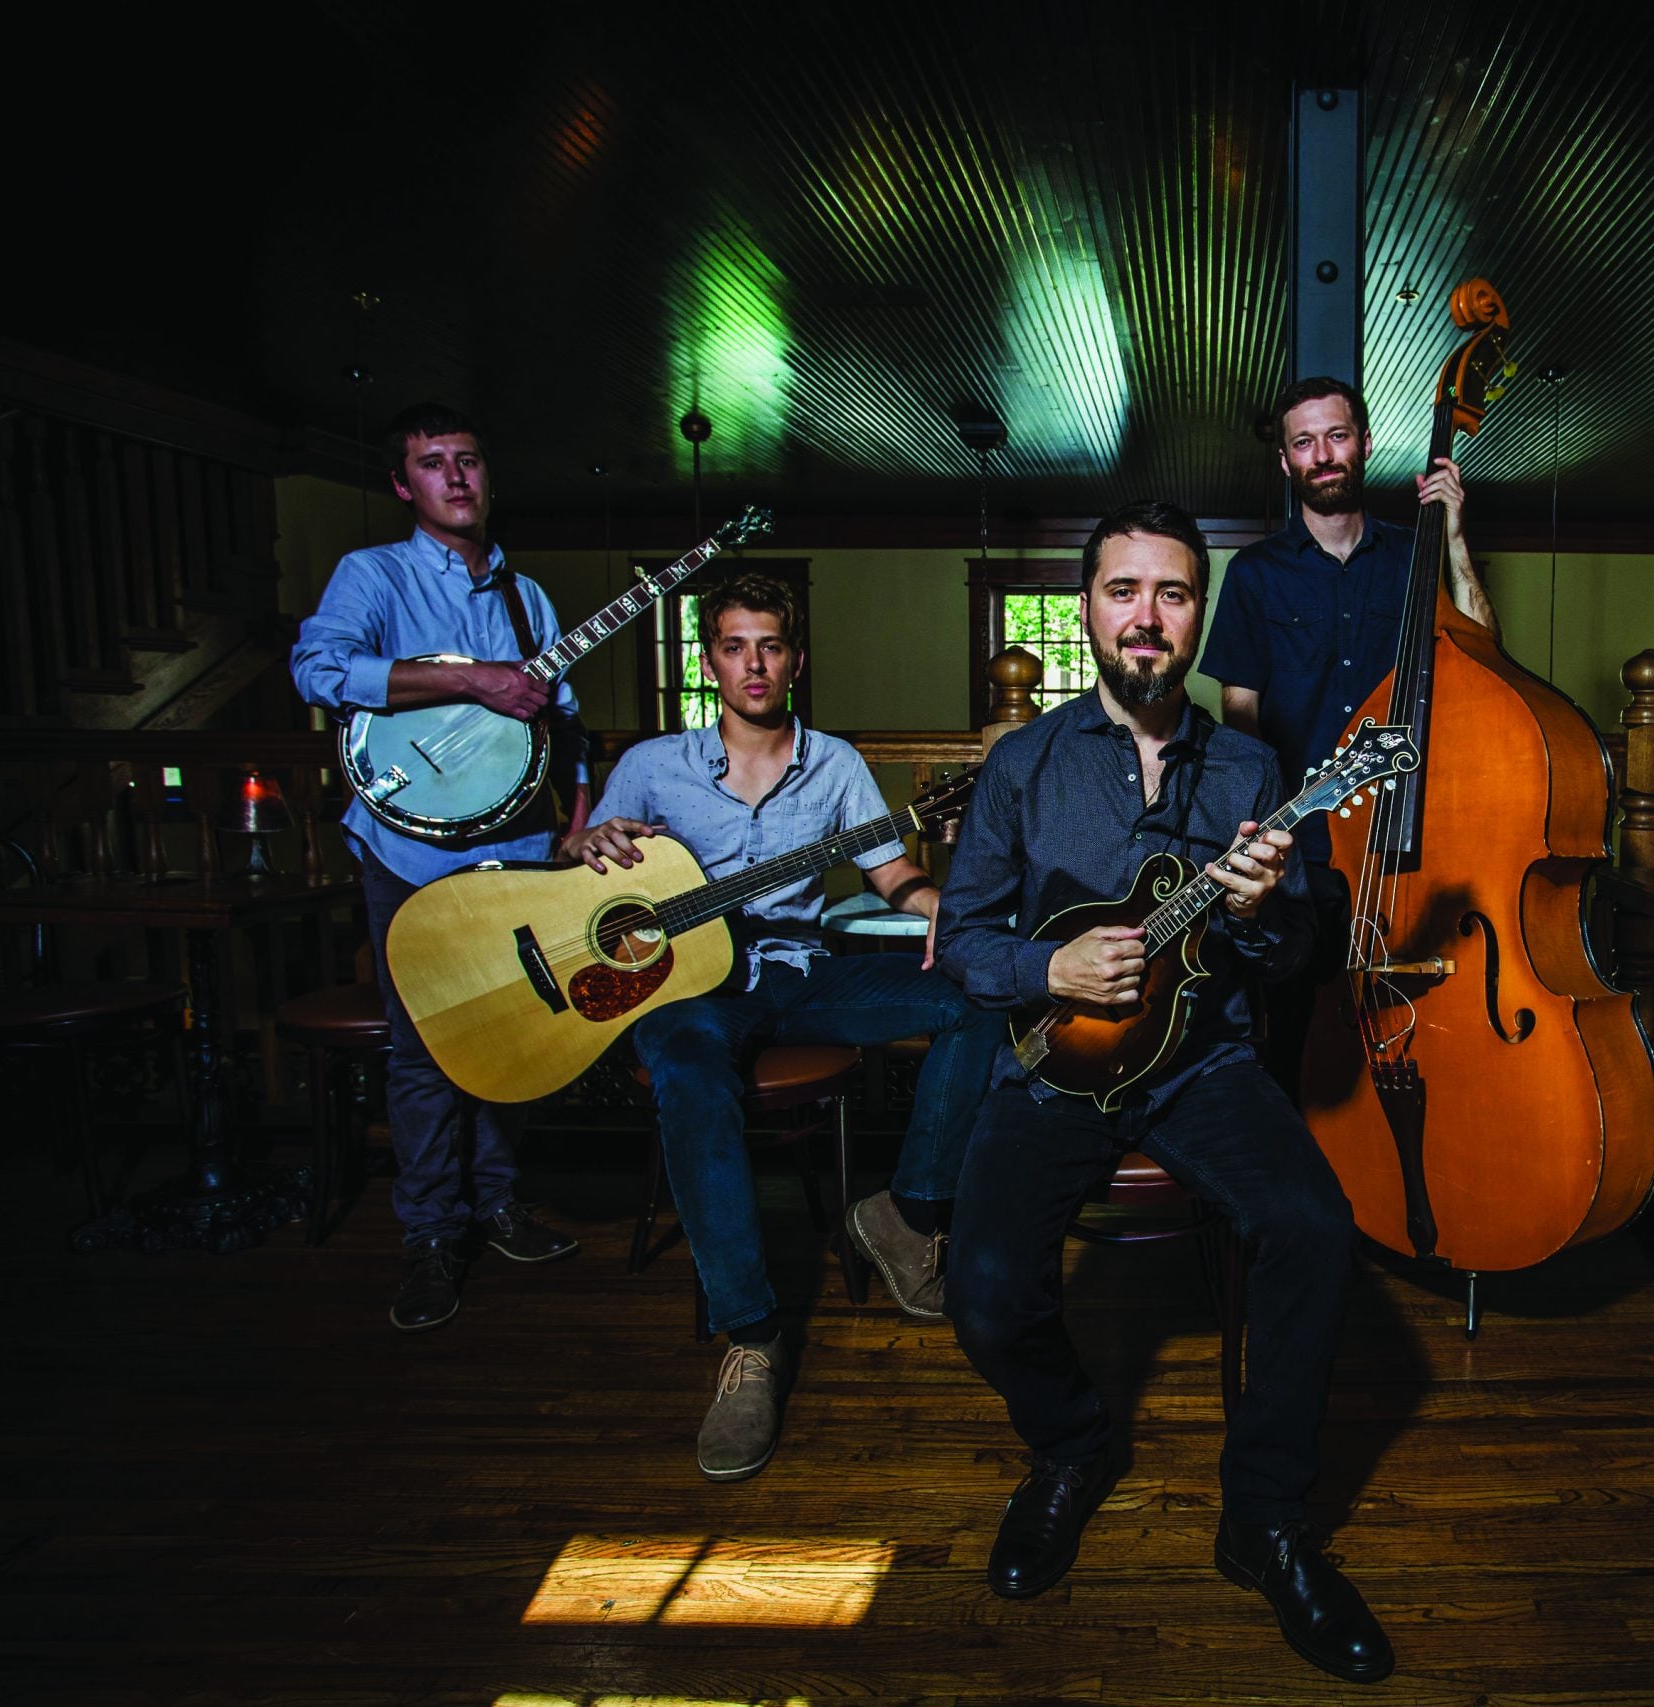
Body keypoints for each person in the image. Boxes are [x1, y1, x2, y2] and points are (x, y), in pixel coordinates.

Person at [933, 499, 1391, 1684]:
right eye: (1124, 590)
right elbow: (965, 941)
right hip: (1055, 1067)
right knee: (980, 1291)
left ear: (1196, 618)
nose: (1148, 615)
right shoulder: (1023, 764)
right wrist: (1050, 965)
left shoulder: (1251, 767)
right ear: (1088, 607)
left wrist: (1257, 913)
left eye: (1173, 593)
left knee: (1312, 1227)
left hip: (1202, 1065)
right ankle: (1075, 1452)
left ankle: (1267, 1523)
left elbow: (1297, 953)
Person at [562, 572, 1000, 1483]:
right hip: (689, 986)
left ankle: (903, 1212)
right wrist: (583, 847)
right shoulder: (651, 765)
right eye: (733, 645)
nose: (753, 663)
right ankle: (753, 1341)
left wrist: (937, 913)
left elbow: (889, 873)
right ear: (710, 660)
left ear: (794, 659)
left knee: (977, 1000)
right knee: (688, 1073)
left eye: (769, 645)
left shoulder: (834, 762)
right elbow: (590, 878)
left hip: (799, 971)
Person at [291, 402, 586, 1332]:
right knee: (423, 1052)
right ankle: (428, 1237)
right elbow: (319, 670)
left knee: (516, 1035)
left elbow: (561, 718)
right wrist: (468, 678)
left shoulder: (524, 597)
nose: (455, 478)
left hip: (519, 852)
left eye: (468, 461)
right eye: (432, 463)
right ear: (402, 484)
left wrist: (578, 816)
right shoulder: (370, 575)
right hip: (409, 850)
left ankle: (498, 1204)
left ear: (488, 477)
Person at [1195, 375, 1496, 1093]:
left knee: (1437, 1041)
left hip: (1413, 838)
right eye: (1304, 441)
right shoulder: (1255, 574)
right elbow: (1241, 724)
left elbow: (1486, 661)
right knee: (1297, 1046)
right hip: (1307, 855)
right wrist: (1262, 841)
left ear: (1363, 443)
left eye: (1336, 435)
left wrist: (1452, 536)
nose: (1322, 453)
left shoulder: (1412, 556)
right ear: (1286, 462)